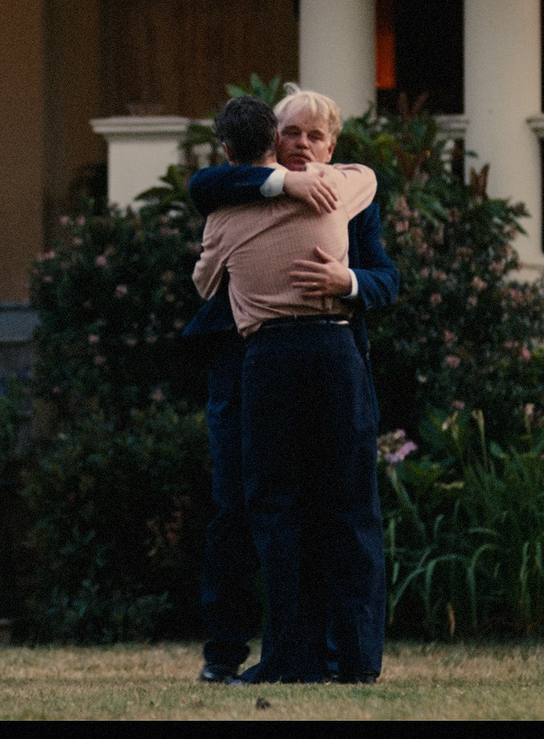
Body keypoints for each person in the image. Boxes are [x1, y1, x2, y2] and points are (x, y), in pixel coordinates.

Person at [191, 89, 394, 684]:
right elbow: (208, 183)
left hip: (332, 351)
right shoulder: (231, 192)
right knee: (252, 508)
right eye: (290, 133)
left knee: (342, 509)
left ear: (331, 147)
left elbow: (387, 277)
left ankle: (347, 655)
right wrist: (281, 183)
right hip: (250, 366)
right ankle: (246, 653)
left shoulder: (349, 194)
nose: (301, 144)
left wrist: (348, 278)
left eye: (314, 136)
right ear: (267, 140)